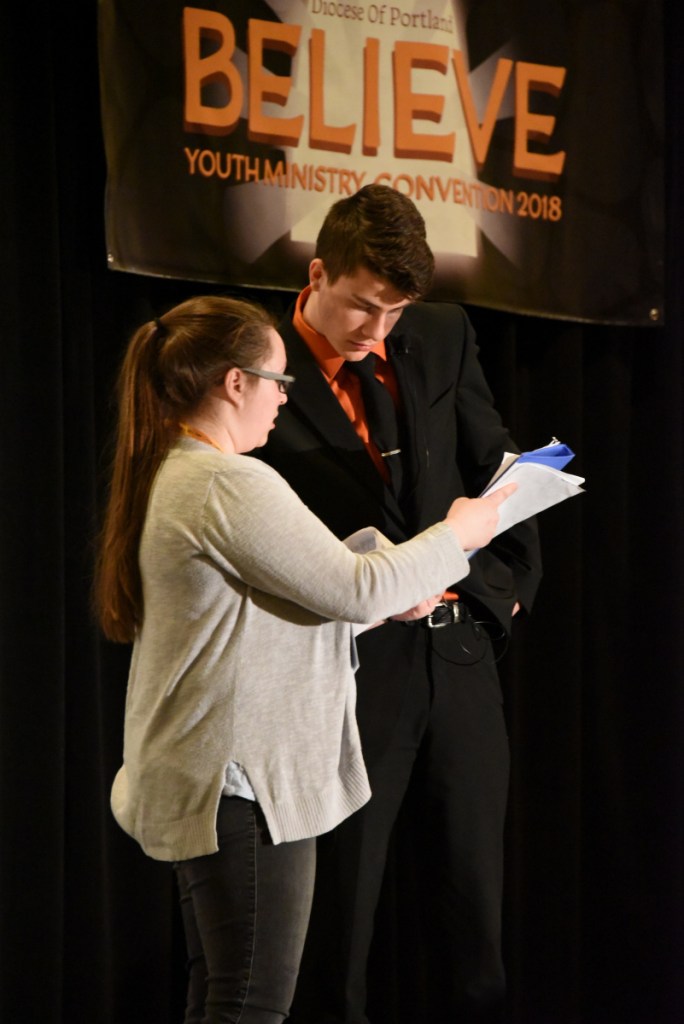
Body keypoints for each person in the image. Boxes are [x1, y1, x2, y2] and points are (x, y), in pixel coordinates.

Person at [92, 294, 516, 1024]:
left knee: (224, 993)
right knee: (250, 1003)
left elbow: (261, 619)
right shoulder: (225, 482)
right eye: (278, 383)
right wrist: (463, 530)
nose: (283, 402)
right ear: (235, 383)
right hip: (243, 789)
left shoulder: (185, 474)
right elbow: (353, 587)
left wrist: (382, 600)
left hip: (217, 782)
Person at [257, 185, 543, 1024]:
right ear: (317, 274)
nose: (377, 331)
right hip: (347, 672)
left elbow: (499, 462)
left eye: (396, 311)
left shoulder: (442, 334)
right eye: (362, 307)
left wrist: (508, 595)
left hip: (458, 657)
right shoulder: (258, 363)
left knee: (473, 910)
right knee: (339, 914)